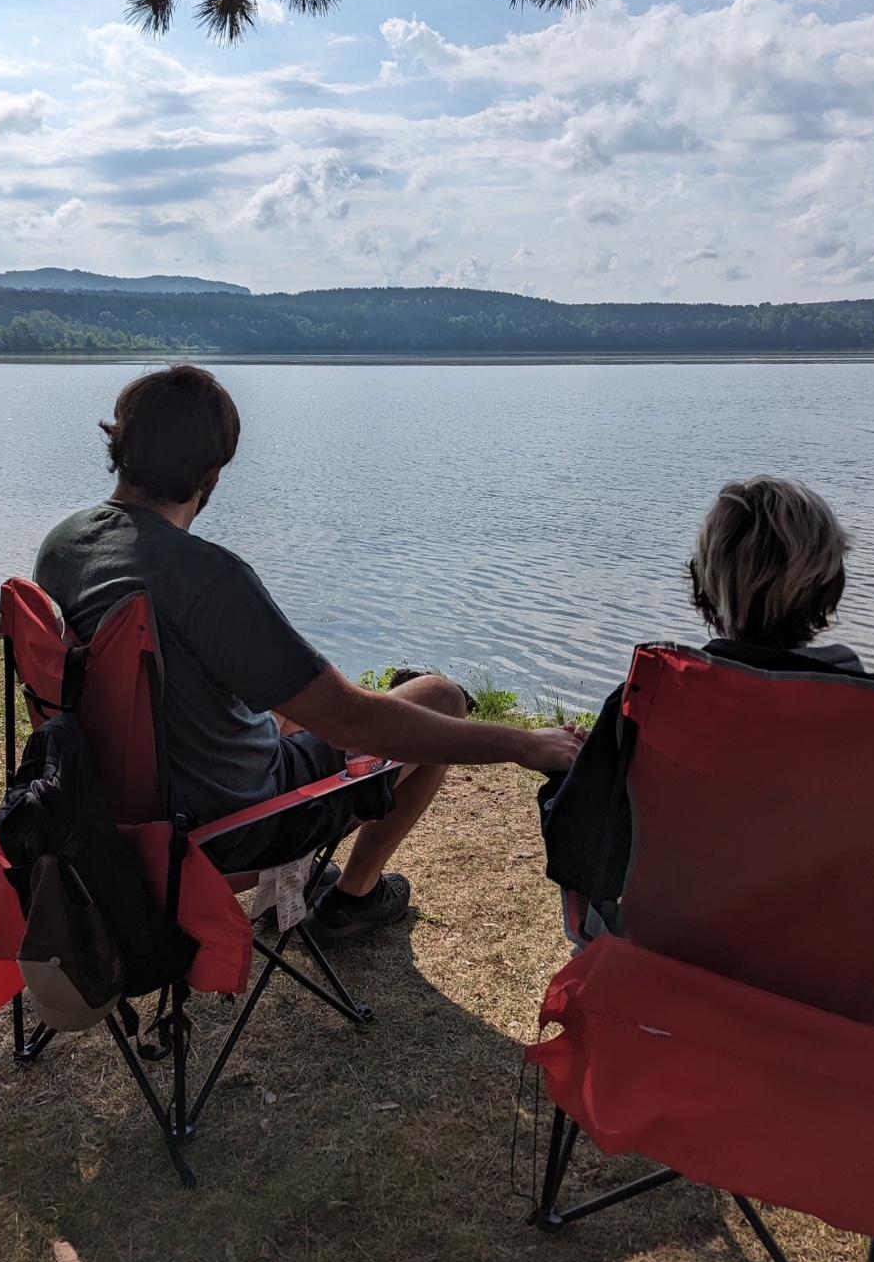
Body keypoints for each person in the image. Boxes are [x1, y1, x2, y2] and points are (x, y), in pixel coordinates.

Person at [34, 363, 583, 943]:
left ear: (120, 444)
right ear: (214, 473)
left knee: (300, 701)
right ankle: (355, 897)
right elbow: (354, 721)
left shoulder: (65, 544)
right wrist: (527, 744)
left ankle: (340, 890)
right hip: (228, 829)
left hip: (104, 803)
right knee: (440, 697)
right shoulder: (207, 578)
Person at [539, 476, 874, 998]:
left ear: (701, 586)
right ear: (831, 588)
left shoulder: (650, 704)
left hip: (668, 976)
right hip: (836, 1009)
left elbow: (576, 852)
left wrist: (564, 779)